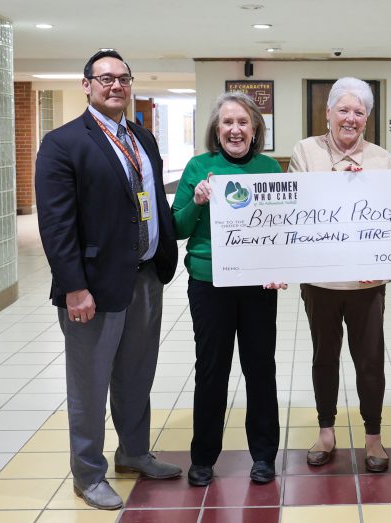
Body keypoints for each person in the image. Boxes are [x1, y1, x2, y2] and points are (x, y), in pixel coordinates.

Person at [35, 49, 181, 511]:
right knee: (90, 384)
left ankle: (133, 452)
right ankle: (88, 474)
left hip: (145, 277)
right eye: (105, 78)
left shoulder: (142, 139)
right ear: (87, 85)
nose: (116, 85)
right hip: (93, 287)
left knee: (137, 374)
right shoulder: (62, 143)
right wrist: (74, 287)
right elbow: (56, 225)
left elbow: (152, 201)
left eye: (123, 78)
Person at [173, 92, 282, 487]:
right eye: (228, 123)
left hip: (257, 285)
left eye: (243, 123)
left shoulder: (270, 168)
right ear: (216, 130)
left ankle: (264, 456)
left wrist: (282, 266)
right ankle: (203, 457)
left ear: (255, 130)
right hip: (210, 284)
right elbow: (178, 228)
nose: (235, 130)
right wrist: (197, 201)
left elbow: (285, 229)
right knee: (212, 369)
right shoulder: (198, 167)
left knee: (260, 368)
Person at [288, 77, 391, 473]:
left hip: (368, 282)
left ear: (367, 119)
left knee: (370, 360)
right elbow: (298, 207)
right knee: (324, 357)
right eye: (343, 110)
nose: (350, 118)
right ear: (328, 113)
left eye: (359, 112)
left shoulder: (383, 159)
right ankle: (326, 432)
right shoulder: (305, 151)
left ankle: (373, 436)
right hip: (321, 280)